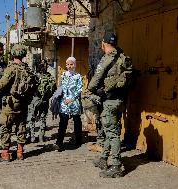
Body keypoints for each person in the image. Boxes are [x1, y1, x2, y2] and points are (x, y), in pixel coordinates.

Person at [88, 32, 132, 178]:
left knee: (112, 134)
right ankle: (103, 158)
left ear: (103, 43)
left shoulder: (107, 58)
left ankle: (116, 166)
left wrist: (89, 91)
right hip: (120, 100)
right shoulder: (122, 56)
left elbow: (96, 79)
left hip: (110, 101)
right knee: (110, 130)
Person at [0, 44, 35, 161]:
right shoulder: (27, 69)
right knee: (21, 127)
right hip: (23, 103)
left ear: (13, 54)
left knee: (5, 127)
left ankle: (5, 154)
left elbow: (0, 85)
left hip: (10, 103)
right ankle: (20, 152)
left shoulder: (11, 68)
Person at [54, 57, 83, 151]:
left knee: (77, 121)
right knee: (63, 122)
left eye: (71, 64)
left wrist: (72, 99)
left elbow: (79, 90)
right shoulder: (63, 75)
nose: (70, 66)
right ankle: (59, 143)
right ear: (66, 65)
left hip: (74, 102)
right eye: (68, 64)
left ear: (75, 65)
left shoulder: (78, 76)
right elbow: (61, 87)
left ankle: (78, 140)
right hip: (64, 103)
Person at [27, 60, 56, 143]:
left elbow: (29, 88)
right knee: (43, 118)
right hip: (45, 101)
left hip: (35, 99)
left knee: (31, 118)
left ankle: (32, 136)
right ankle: (41, 137)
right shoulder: (50, 76)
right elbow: (54, 89)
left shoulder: (34, 76)